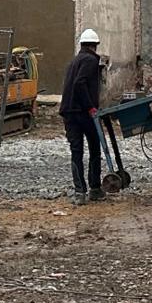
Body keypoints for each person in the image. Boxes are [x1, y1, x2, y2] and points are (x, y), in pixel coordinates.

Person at [59, 28, 104, 205]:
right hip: (83, 113)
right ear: (95, 46)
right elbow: (80, 83)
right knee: (94, 148)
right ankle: (95, 188)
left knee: (76, 151)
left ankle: (79, 192)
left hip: (69, 113)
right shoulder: (91, 60)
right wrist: (90, 107)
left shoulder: (74, 61)